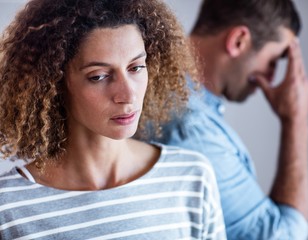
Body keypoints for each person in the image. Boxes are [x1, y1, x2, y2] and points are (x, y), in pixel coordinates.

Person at [0, 0, 227, 239]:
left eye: (136, 68)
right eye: (98, 76)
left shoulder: (191, 177)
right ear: (53, 83)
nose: (128, 95)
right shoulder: (8, 207)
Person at [147, 0, 308, 239]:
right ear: (238, 41)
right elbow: (283, 236)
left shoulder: (167, 93)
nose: (272, 78)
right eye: (273, 61)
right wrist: (296, 120)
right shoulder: (192, 129)